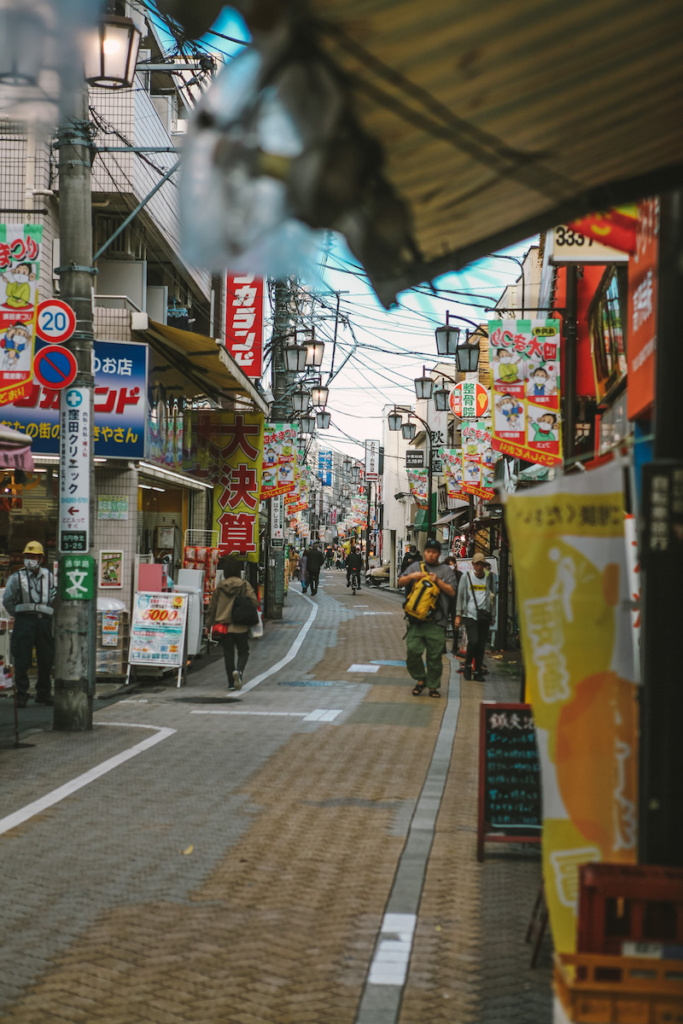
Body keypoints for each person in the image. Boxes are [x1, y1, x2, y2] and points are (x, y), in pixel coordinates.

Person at [398, 538, 456, 698]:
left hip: (437, 622)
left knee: (435, 656)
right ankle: (420, 678)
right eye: (428, 552)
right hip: (416, 620)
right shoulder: (416, 566)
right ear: (424, 553)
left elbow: (452, 592)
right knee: (412, 652)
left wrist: (438, 582)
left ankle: (432, 686)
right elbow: (400, 582)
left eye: (434, 552)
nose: (430, 555)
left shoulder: (446, 571)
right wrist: (412, 576)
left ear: (439, 554)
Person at [3, 541, 56, 707]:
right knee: (22, 659)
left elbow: (54, 597)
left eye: (33, 557)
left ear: (41, 558)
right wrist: (16, 614)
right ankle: (22, 694)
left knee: (45, 659)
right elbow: (8, 600)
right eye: (27, 556)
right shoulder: (17, 577)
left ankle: (44, 693)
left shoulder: (49, 576)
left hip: (44, 622)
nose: (29, 560)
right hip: (24, 621)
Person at [205, 556, 258, 691]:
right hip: (241, 626)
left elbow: (212, 607)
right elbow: (255, 601)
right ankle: (239, 672)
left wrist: (208, 625)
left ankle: (230, 683)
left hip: (224, 627)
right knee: (243, 651)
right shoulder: (244, 585)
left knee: (228, 654)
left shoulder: (221, 586)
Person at [454, 552, 497, 681]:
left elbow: (492, 597)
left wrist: (493, 614)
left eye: (481, 564)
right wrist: (458, 614)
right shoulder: (466, 577)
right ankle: (467, 665)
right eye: (477, 564)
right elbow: (460, 596)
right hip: (470, 615)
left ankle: (477, 670)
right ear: (473, 564)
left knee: (481, 644)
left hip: (484, 615)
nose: (479, 567)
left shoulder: (489, 578)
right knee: (474, 641)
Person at [443, 555, 462, 652]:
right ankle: (443, 647)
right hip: (446, 602)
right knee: (443, 624)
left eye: (453, 564)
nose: (452, 566)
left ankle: (455, 645)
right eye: (449, 565)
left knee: (456, 625)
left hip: (456, 601)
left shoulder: (459, 575)